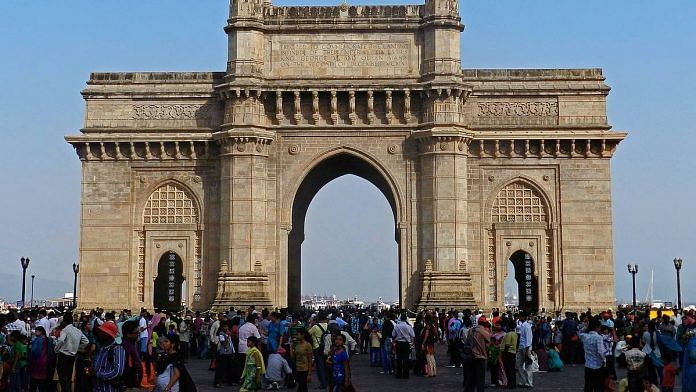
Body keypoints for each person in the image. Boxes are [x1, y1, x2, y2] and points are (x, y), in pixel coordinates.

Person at [54, 313, 89, 392]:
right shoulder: (78, 331)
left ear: (64, 321)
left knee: (63, 379)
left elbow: (61, 340)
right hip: (72, 356)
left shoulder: (65, 330)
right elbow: (86, 341)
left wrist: (56, 350)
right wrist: (78, 348)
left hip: (63, 356)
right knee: (69, 378)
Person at [92, 321, 126, 392]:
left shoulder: (117, 349)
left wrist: (98, 375)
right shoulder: (103, 348)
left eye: (102, 332)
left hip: (109, 388)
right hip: (98, 387)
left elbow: (118, 372)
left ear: (108, 335)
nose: (99, 334)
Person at [579, 318, 606, 392]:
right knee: (598, 386)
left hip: (588, 365)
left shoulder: (585, 336)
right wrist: (604, 360)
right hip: (598, 365)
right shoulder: (599, 337)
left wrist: (586, 326)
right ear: (597, 327)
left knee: (588, 386)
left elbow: (579, 332)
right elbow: (600, 351)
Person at [463, 320, 490, 392]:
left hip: (470, 356)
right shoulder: (483, 332)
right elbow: (489, 341)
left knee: (471, 377)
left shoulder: (470, 330)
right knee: (480, 378)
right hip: (480, 356)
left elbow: (466, 340)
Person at [28, 326, 54, 392]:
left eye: (36, 331)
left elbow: (33, 350)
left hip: (36, 362)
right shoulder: (49, 340)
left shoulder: (37, 339)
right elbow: (51, 352)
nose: (35, 333)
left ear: (41, 331)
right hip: (45, 362)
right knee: (42, 380)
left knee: (34, 380)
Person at [308, 313, 329, 389]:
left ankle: (322, 383)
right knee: (326, 365)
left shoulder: (315, 327)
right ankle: (327, 382)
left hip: (317, 347)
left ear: (318, 319)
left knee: (320, 367)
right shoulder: (328, 326)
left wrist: (311, 324)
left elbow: (308, 334)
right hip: (326, 347)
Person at [392, 314, 415, 379]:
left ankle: (399, 374)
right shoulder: (408, 326)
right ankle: (405, 374)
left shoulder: (397, 326)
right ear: (406, 319)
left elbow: (393, 334)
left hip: (399, 343)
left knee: (399, 359)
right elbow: (412, 335)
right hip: (406, 343)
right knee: (406, 359)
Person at [214, 323, 235, 388]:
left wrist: (233, 351)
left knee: (229, 368)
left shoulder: (228, 333)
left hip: (229, 352)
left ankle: (230, 381)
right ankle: (217, 382)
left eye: (227, 326)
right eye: (225, 327)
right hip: (223, 353)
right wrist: (228, 336)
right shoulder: (221, 334)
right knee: (221, 368)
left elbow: (231, 343)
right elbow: (224, 344)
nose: (227, 328)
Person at [516, 313, 534, 388]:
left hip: (526, 348)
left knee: (528, 366)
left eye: (520, 316)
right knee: (518, 364)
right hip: (521, 347)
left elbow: (529, 338)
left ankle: (529, 382)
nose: (519, 318)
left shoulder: (527, 326)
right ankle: (522, 381)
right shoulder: (521, 326)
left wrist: (527, 350)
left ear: (524, 317)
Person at [501, 319, 518, 389]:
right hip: (513, 352)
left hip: (507, 353)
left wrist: (504, 354)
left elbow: (507, 345)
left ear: (508, 326)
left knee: (508, 369)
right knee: (512, 369)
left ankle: (510, 384)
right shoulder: (515, 334)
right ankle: (513, 383)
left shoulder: (508, 334)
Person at [421, 313, 439, 377]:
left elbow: (426, 335)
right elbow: (436, 334)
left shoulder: (427, 326)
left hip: (427, 343)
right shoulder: (433, 325)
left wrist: (423, 343)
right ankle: (434, 372)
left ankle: (430, 372)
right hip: (431, 343)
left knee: (428, 358)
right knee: (432, 357)